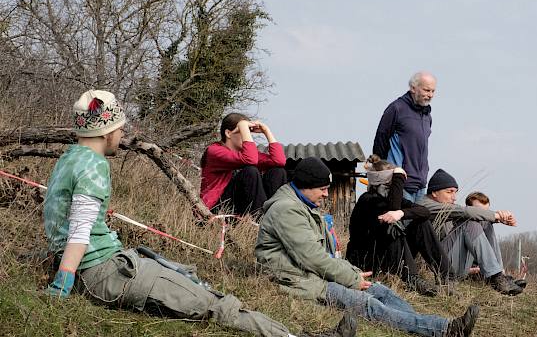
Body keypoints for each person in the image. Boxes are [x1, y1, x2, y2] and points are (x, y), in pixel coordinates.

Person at [43, 90, 355, 337]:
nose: (123, 132)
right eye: (120, 127)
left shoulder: (69, 158)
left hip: (108, 263)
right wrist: (63, 282)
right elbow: (81, 228)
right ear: (108, 130)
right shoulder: (94, 165)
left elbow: (62, 220)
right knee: (213, 304)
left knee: (188, 276)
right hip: (105, 271)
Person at [256, 157, 479, 337]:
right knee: (367, 303)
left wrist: (350, 272)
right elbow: (312, 258)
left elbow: (321, 257)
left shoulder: (304, 205)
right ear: (306, 185)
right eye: (323, 188)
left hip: (316, 274)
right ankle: (444, 329)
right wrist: (352, 277)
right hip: (297, 279)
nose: (326, 194)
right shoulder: (287, 210)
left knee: (382, 291)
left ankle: (421, 325)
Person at [346, 155, 452, 297]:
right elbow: (392, 209)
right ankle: (411, 278)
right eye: (394, 185)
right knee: (391, 226)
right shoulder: (367, 200)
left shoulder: (391, 201)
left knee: (421, 222)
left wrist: (401, 213)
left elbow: (425, 212)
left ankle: (445, 276)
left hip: (389, 255)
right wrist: (398, 178)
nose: (396, 189)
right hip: (366, 260)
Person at [417, 170, 525, 296]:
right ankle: (495, 277)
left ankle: (499, 276)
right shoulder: (426, 205)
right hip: (436, 267)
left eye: (455, 192)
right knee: (471, 223)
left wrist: (498, 220)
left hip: (452, 262)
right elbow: (466, 212)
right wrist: (496, 215)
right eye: (449, 192)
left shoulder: (445, 205)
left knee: (484, 222)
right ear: (434, 193)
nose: (454, 197)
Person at [200, 113, 287, 218]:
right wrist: (242, 126)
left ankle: (275, 217)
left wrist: (266, 131)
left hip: (241, 205)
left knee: (277, 171)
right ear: (228, 133)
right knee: (250, 171)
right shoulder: (214, 151)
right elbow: (250, 160)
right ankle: (260, 219)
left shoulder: (246, 154)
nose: (247, 137)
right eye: (243, 131)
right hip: (217, 208)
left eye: (248, 132)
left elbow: (279, 161)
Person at [373, 72, 436, 202]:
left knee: (417, 221)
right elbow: (380, 141)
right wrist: (385, 172)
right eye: (426, 90)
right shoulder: (396, 109)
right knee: (401, 221)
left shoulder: (427, 115)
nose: (430, 95)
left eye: (433, 91)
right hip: (399, 181)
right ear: (413, 88)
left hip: (420, 184)